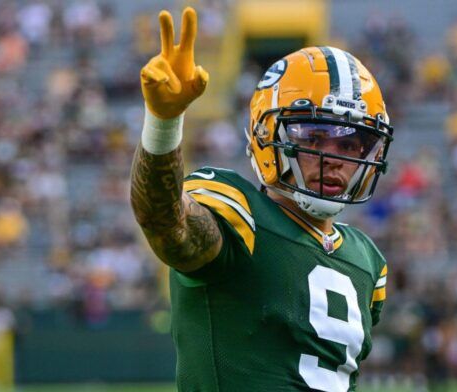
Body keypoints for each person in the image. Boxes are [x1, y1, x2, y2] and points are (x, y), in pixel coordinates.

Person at [129, 7, 393, 392]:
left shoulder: (367, 261)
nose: (334, 159)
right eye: (314, 139)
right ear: (268, 138)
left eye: (351, 143)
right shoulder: (242, 216)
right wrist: (163, 123)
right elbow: (165, 221)